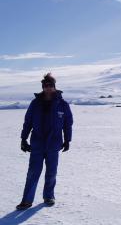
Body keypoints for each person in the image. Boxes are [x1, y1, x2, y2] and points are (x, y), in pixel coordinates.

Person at [16, 73, 73, 210]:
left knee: (51, 172)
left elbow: (68, 124)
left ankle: (49, 196)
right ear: (42, 87)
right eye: (45, 86)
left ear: (54, 87)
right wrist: (24, 138)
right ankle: (27, 201)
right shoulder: (35, 103)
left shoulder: (62, 105)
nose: (48, 88)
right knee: (33, 172)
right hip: (37, 144)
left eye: (50, 86)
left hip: (54, 144)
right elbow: (28, 121)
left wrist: (67, 140)